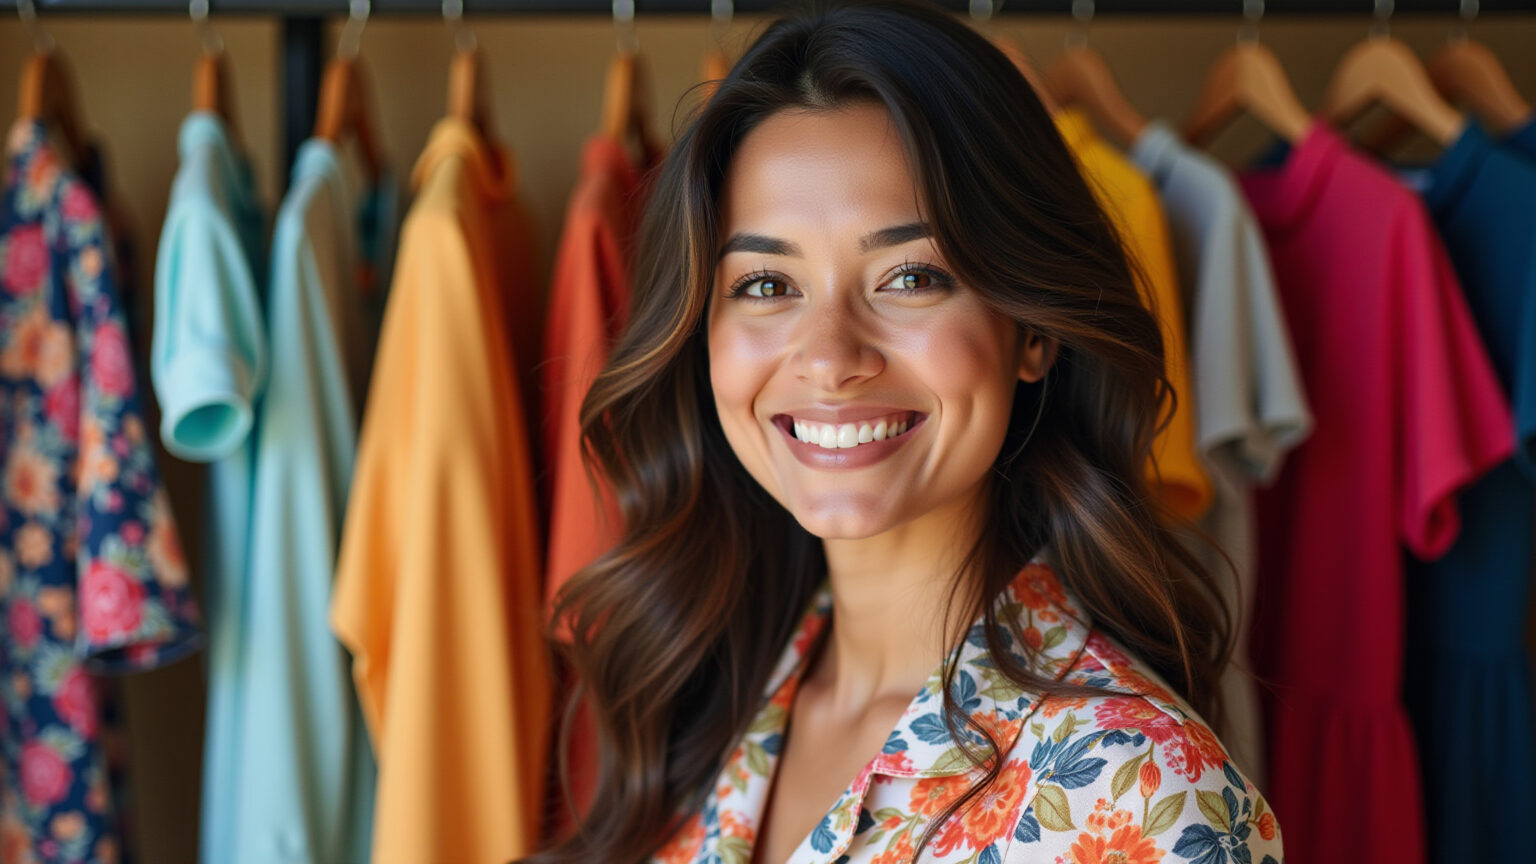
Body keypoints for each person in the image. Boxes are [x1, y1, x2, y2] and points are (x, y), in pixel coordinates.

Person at [533, 2, 1283, 862]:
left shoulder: (1144, 792)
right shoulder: (707, 693)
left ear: (1030, 330)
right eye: (767, 285)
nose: (829, 356)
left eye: (911, 275)